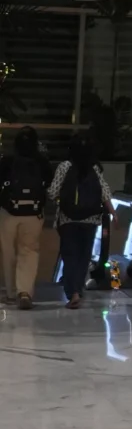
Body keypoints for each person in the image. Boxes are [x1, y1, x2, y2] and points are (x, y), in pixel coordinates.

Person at [45, 131, 113, 311]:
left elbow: (53, 192)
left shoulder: (65, 166)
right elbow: (104, 191)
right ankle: (79, 290)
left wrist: (56, 198)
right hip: (90, 219)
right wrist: (113, 211)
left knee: (70, 256)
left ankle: (73, 292)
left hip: (68, 219)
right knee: (84, 256)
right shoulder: (94, 167)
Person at [0, 127, 51, 310]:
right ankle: (25, 291)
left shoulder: (7, 161)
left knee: (8, 252)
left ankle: (10, 293)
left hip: (8, 213)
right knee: (28, 251)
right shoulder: (42, 162)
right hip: (33, 214)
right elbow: (49, 184)